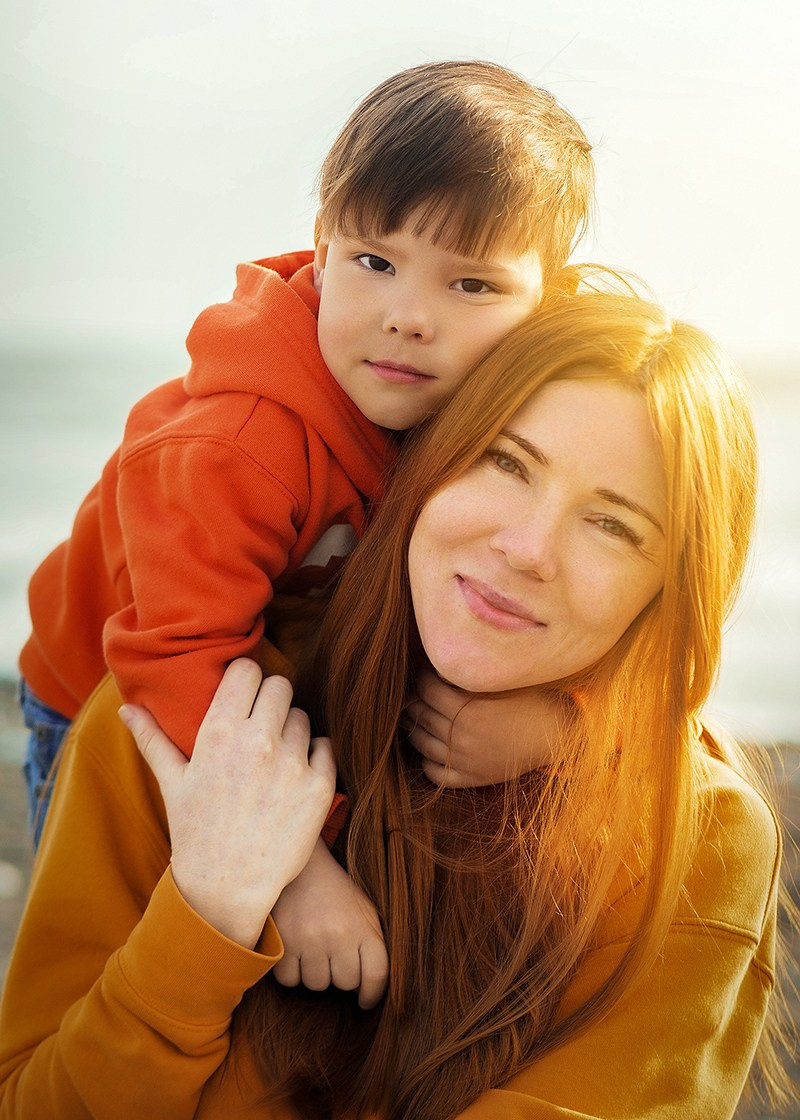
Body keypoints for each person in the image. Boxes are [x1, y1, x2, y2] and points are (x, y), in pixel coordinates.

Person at [0, 283, 791, 1119]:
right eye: (507, 461)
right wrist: (209, 913)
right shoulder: (203, 723)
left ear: (670, 591)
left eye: (614, 526)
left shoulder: (692, 838)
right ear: (427, 455)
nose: (527, 550)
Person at [15, 59, 593, 1004]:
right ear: (322, 247)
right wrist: (299, 869)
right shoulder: (236, 446)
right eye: (375, 262)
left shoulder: (505, 405)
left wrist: (561, 721)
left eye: (474, 285)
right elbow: (179, 661)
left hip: (263, 661)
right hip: (112, 699)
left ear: (548, 298)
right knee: (109, 952)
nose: (409, 319)